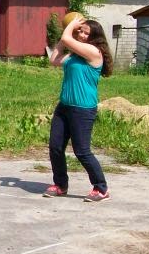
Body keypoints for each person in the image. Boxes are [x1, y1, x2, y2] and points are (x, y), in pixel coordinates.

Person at [44, 14, 114, 203]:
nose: (81, 34)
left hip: (83, 110)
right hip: (64, 107)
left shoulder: (94, 52)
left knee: (82, 151)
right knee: (55, 147)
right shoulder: (74, 55)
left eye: (85, 33)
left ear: (94, 37)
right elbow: (54, 60)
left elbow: (68, 39)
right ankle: (60, 185)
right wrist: (63, 38)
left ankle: (101, 188)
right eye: (80, 31)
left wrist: (71, 27)